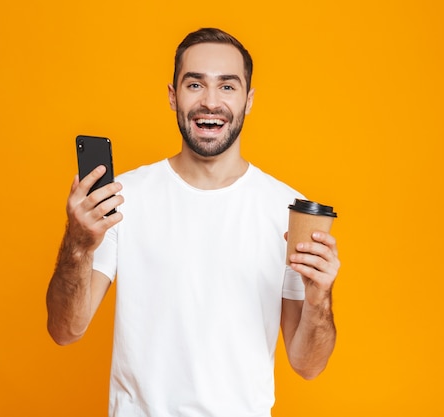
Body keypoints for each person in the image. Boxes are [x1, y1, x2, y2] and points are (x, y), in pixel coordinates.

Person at [46, 27, 340, 417]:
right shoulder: (123, 198)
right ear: (173, 96)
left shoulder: (286, 209)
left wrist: (320, 296)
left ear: (249, 100)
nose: (210, 102)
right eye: (195, 84)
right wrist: (78, 243)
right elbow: (65, 330)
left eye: (228, 87)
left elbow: (308, 364)